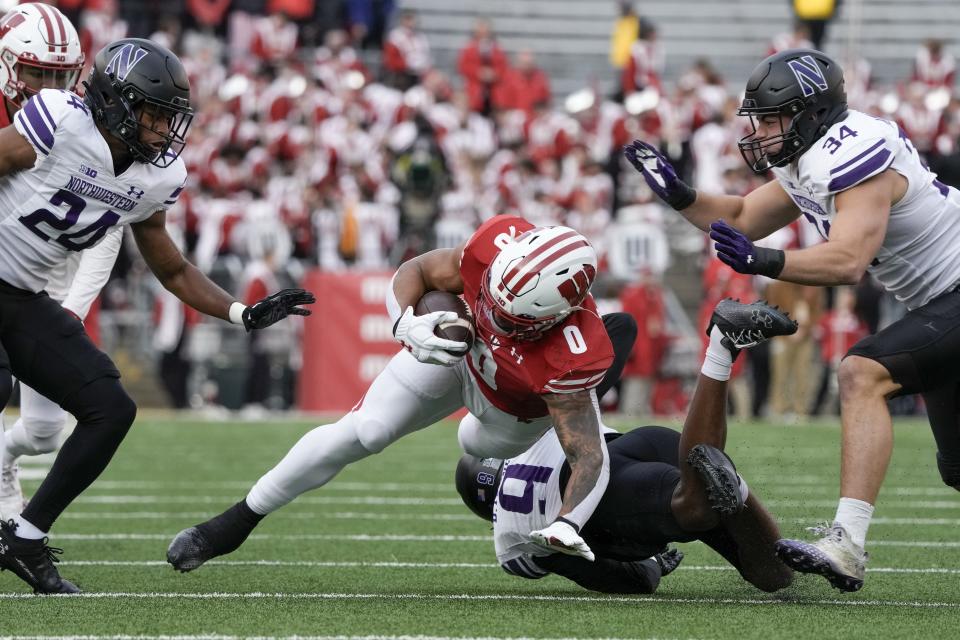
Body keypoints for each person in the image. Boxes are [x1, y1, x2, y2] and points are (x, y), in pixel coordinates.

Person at [624, 48, 960, 592]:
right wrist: (681, 195)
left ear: (812, 113)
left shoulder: (855, 149)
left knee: (861, 371)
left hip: (955, 290)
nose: (759, 131)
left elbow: (848, 260)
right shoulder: (805, 157)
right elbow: (739, 217)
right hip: (939, 303)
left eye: (772, 118)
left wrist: (764, 261)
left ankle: (846, 542)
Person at [0, 38, 314, 595]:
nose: (164, 131)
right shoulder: (60, 121)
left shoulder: (153, 177)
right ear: (114, 101)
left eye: (171, 118)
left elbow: (171, 268)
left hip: (22, 297)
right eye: (153, 114)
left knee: (109, 407)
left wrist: (241, 311)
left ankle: (22, 538)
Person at [167, 215, 627, 572]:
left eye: (510, 318)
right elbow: (421, 269)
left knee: (472, 444)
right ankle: (233, 523)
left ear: (555, 318)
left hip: (508, 412)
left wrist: (568, 525)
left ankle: (516, 462)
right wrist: (405, 323)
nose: (491, 310)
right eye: (490, 293)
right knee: (366, 430)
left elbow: (588, 457)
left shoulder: (573, 350)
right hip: (455, 351)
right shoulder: (495, 247)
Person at [456, 299, 798, 593]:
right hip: (647, 443)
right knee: (773, 574)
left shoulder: (512, 545)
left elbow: (632, 580)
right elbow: (623, 326)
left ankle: (722, 345)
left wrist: (653, 564)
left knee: (699, 509)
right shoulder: (534, 424)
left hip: (610, 490)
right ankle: (730, 486)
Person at [0, 3, 120, 520]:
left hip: (38, 287)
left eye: (57, 75)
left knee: (47, 431)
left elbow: (111, 229)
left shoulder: (75, 123)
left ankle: (5, 461)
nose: (46, 86)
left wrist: (72, 307)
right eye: (34, 73)